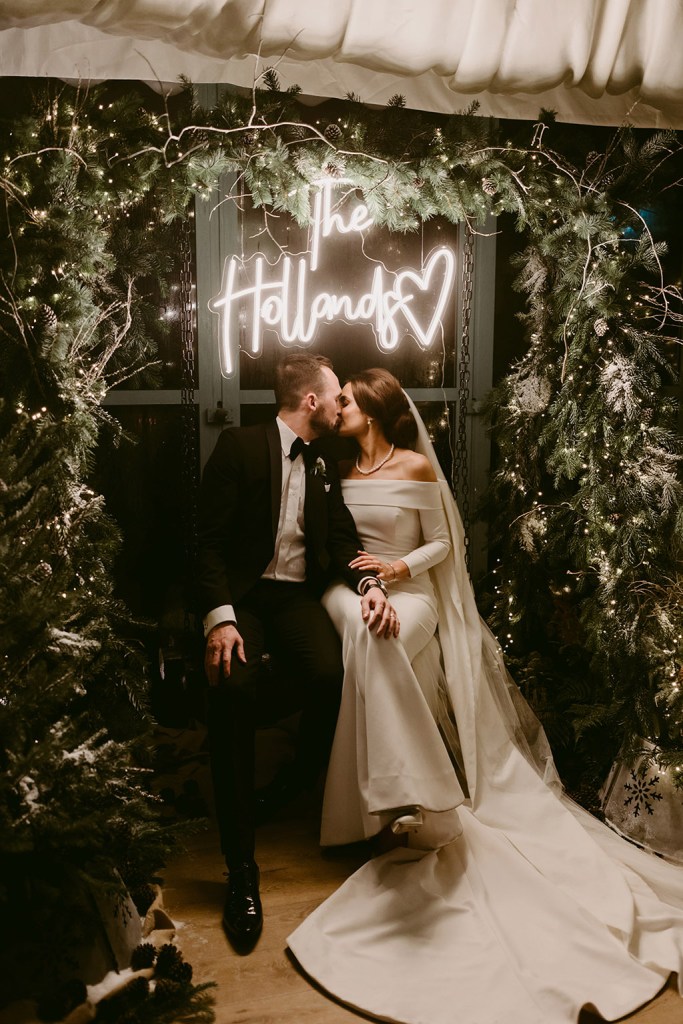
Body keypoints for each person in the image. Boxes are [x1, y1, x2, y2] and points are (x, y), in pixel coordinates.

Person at [287, 368, 683, 1024]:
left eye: (349, 401)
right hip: (358, 596)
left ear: (377, 409)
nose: (339, 409)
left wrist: (397, 569)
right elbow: (330, 545)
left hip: (412, 596)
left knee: (381, 642)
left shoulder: (414, 467)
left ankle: (392, 805)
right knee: (369, 640)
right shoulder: (333, 468)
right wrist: (363, 585)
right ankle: (412, 800)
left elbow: (446, 542)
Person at [197, 353, 399, 952]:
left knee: (330, 674)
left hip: (293, 600)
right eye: (337, 396)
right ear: (311, 401)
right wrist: (220, 620)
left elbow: (339, 540)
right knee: (233, 685)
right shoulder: (238, 446)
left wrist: (370, 581)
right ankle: (241, 868)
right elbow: (204, 544)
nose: (342, 405)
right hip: (242, 600)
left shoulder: (325, 464)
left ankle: (293, 781)